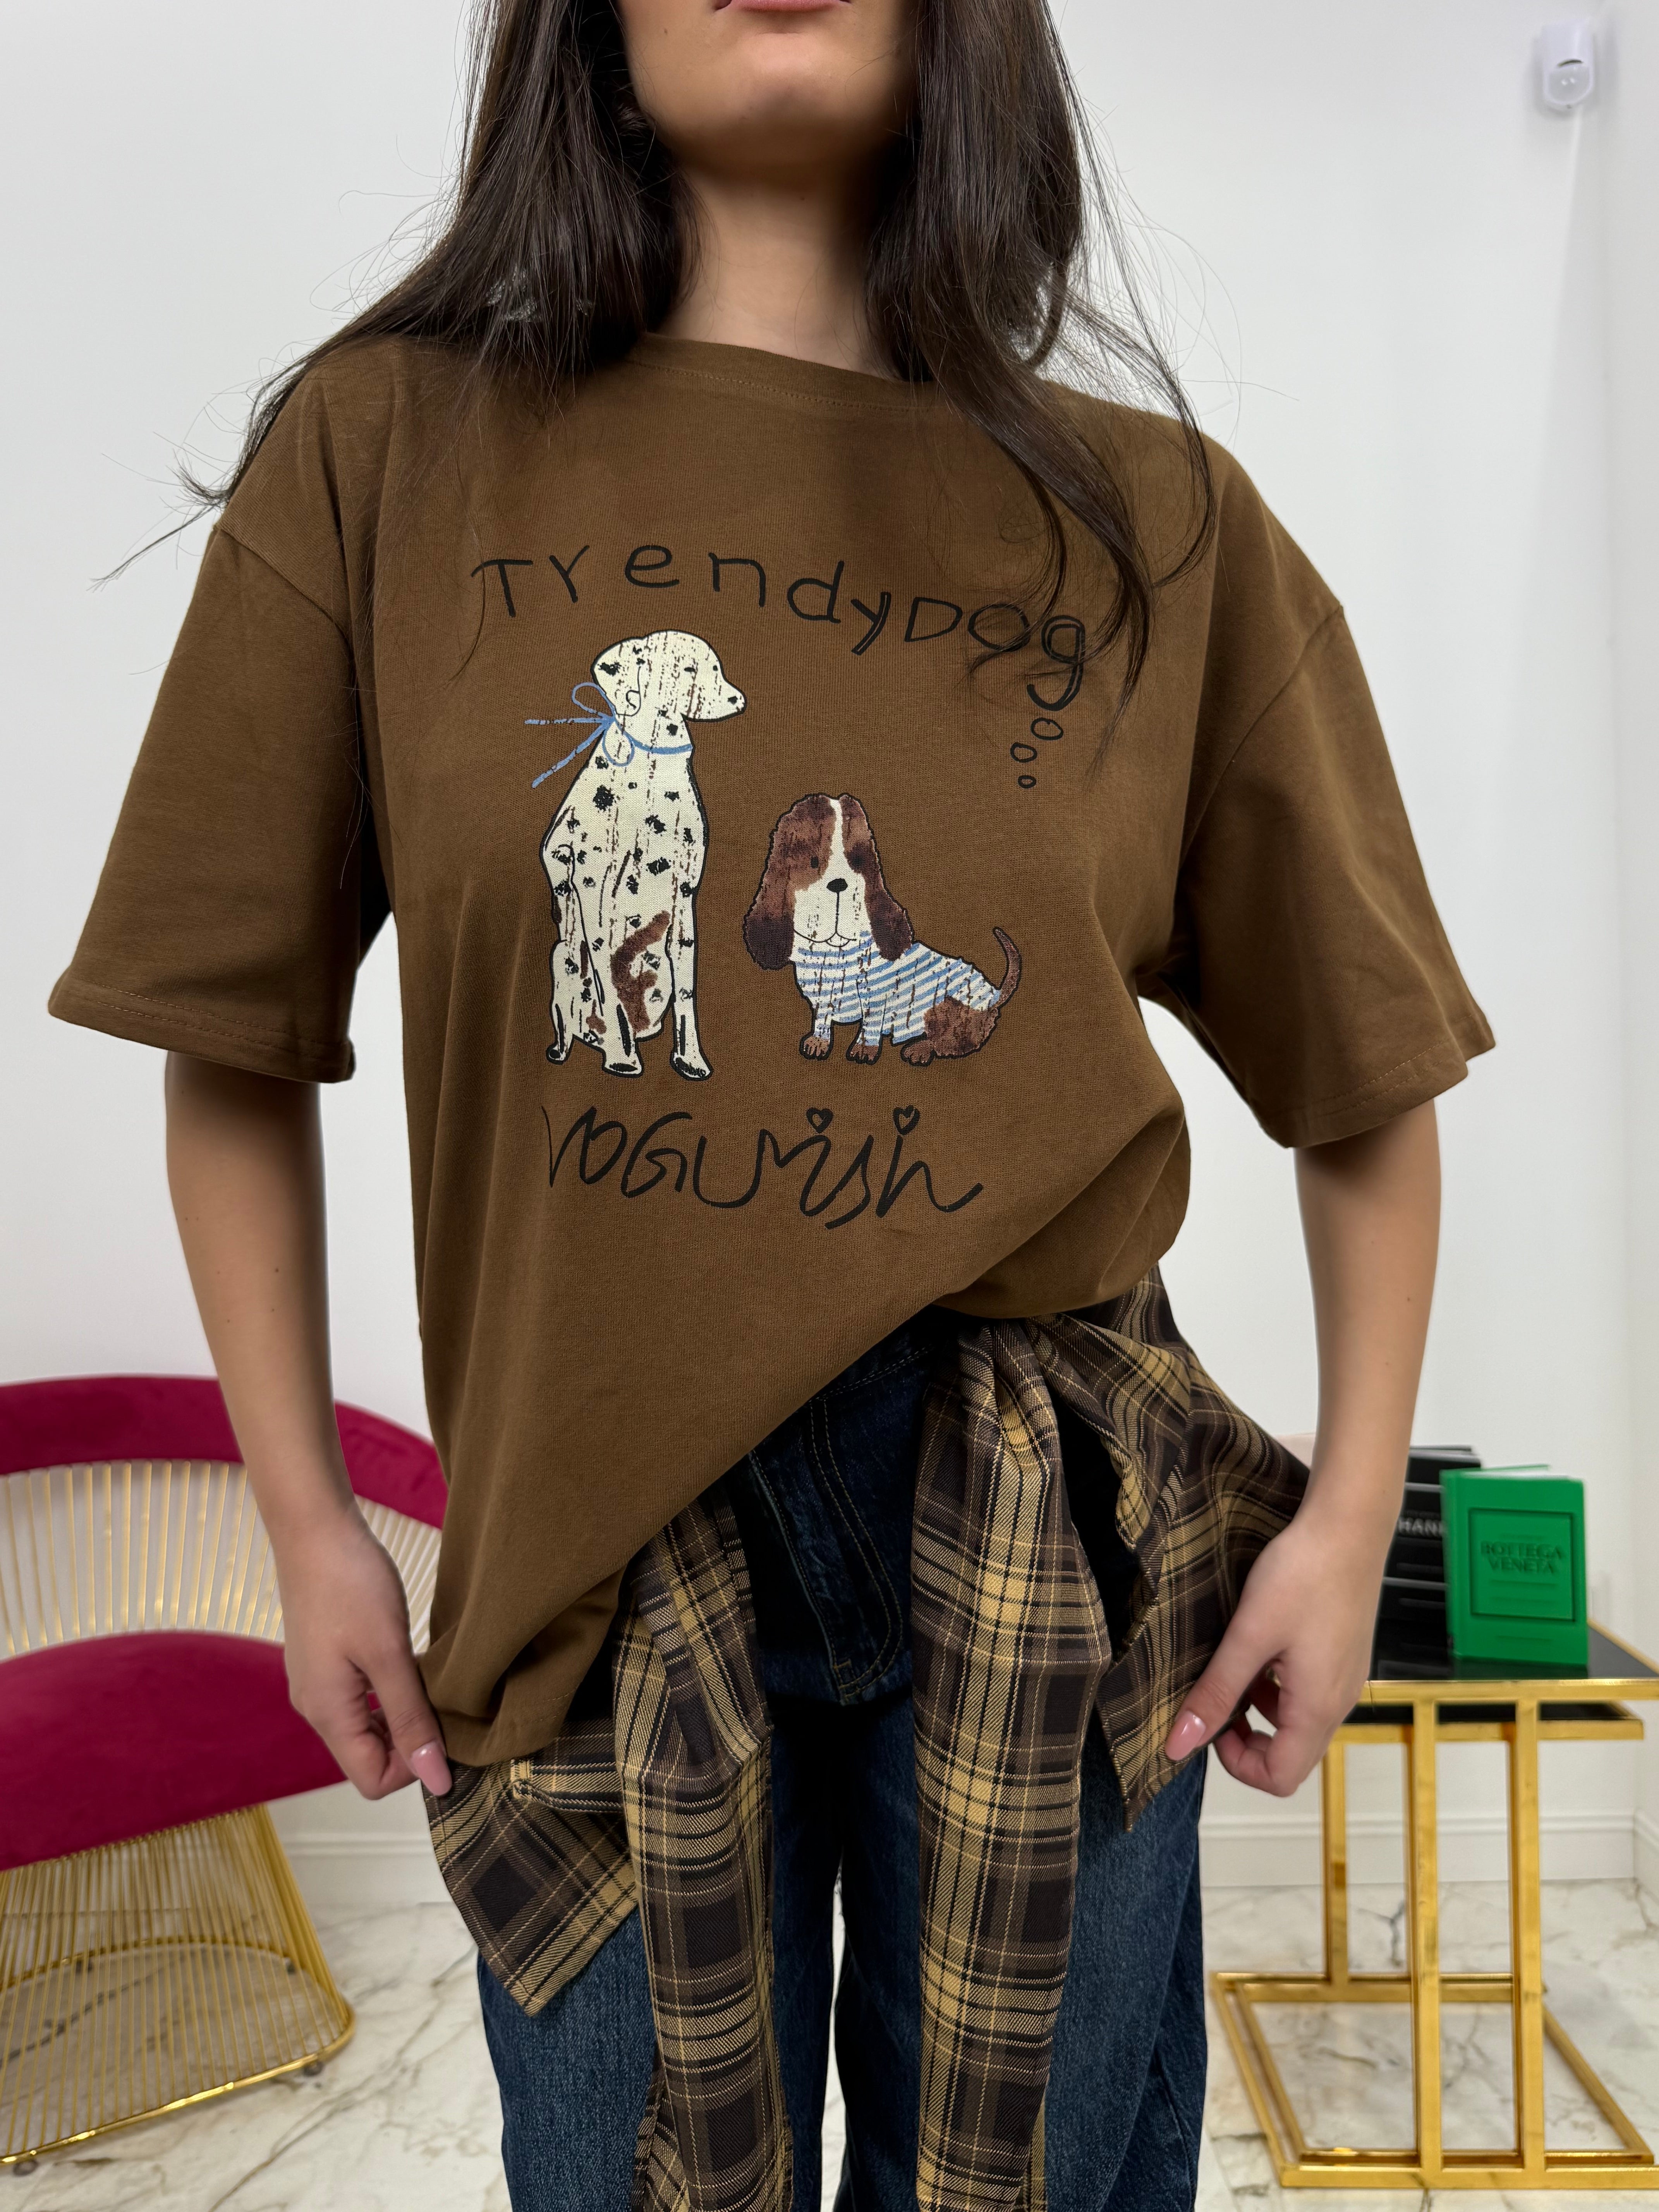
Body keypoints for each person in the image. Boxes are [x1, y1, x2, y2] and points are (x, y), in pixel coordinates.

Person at [49, 1, 1491, 2207]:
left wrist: (1350, 1515)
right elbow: (226, 1038)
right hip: (590, 1545)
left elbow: (1366, 1072)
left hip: (1043, 1513)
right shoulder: (385, 458)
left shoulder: (1159, 525)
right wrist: (307, 1522)